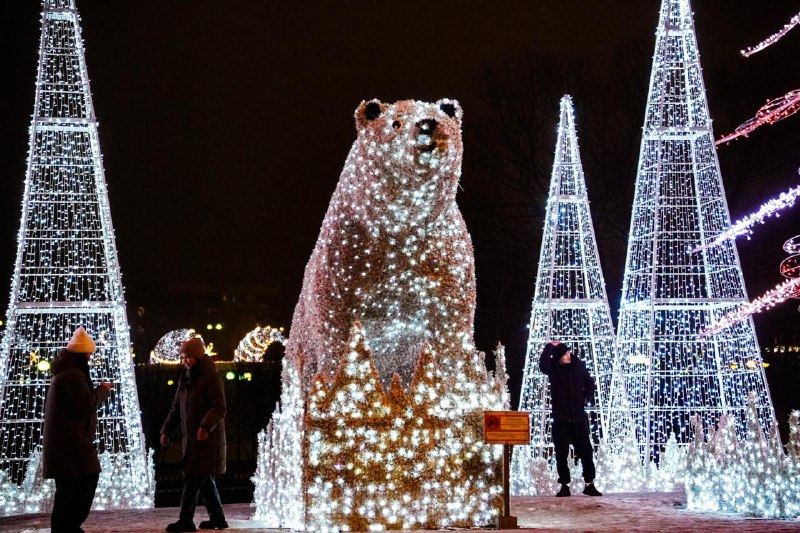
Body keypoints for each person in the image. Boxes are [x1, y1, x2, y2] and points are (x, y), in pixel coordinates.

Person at [43, 326, 113, 533]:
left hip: (69, 441)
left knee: (69, 487)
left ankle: (66, 527)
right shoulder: (72, 374)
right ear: (81, 353)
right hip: (71, 442)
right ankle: (67, 527)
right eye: (89, 353)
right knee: (80, 483)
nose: (90, 357)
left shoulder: (67, 371)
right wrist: (103, 389)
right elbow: (86, 402)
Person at [161, 337, 228, 532]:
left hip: (208, 441)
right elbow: (176, 408)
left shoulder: (211, 377)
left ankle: (185, 521)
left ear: (197, 356)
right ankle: (218, 519)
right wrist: (166, 430)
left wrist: (205, 427)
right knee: (204, 480)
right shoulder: (186, 378)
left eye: (188, 357)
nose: (185, 361)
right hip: (191, 440)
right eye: (183, 357)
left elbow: (219, 407)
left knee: (192, 479)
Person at [539, 341, 602, 497]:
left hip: (578, 419)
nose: (567, 356)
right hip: (561, 419)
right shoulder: (554, 369)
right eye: (564, 355)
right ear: (558, 358)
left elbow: (590, 383)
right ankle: (565, 485)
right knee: (561, 453)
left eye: (568, 353)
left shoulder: (578, 367)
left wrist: (586, 398)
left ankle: (589, 483)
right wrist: (550, 347)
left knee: (586, 452)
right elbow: (542, 364)